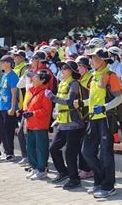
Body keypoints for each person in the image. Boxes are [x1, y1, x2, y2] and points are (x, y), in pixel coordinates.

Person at [80, 48, 122, 198]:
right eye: (90, 58)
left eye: (93, 58)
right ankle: (99, 180)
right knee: (86, 151)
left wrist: (104, 108)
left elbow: (120, 98)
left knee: (106, 154)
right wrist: (82, 103)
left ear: (102, 60)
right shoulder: (93, 76)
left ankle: (108, 186)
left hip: (105, 119)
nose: (91, 61)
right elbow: (93, 99)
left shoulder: (111, 76)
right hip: (93, 118)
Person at [47, 61, 85, 189]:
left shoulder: (74, 83)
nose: (62, 70)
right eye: (61, 68)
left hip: (74, 124)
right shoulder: (62, 82)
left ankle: (74, 179)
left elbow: (69, 102)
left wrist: (52, 98)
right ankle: (63, 172)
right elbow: (60, 102)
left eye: (65, 68)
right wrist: (55, 113)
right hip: (62, 122)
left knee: (70, 153)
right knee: (53, 148)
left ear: (71, 71)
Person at [23, 69, 52, 180]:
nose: (33, 78)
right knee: (30, 147)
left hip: (40, 125)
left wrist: (33, 113)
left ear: (43, 80)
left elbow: (46, 110)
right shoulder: (32, 91)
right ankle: (34, 167)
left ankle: (41, 169)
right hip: (31, 123)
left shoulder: (45, 93)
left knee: (41, 148)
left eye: (37, 77)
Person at [0, 55, 20, 162]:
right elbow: (1, 92)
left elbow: (14, 93)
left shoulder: (13, 76)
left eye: (2, 62)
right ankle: (5, 152)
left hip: (9, 108)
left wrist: (12, 107)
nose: (1, 64)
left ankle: (10, 153)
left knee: (8, 131)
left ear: (8, 63)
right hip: (2, 107)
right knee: (2, 130)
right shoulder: (4, 75)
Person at [74, 56, 93, 179]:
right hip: (80, 115)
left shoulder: (90, 78)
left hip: (89, 115)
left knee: (86, 145)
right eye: (77, 66)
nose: (78, 68)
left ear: (86, 67)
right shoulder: (78, 79)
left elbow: (93, 98)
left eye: (80, 66)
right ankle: (83, 168)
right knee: (81, 143)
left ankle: (87, 169)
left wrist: (82, 103)